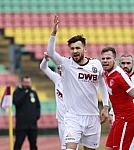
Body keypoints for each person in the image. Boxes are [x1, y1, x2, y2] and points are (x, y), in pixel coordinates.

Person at [47, 14, 109, 150]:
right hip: (73, 117)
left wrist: (105, 106)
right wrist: (54, 33)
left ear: (84, 49)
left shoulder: (96, 64)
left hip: (93, 117)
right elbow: (50, 53)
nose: (74, 51)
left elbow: (102, 84)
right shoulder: (66, 64)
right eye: (72, 48)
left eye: (77, 48)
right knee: (69, 148)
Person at [101, 47, 134, 150]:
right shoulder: (108, 73)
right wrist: (110, 111)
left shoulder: (123, 76)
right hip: (119, 117)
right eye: (103, 59)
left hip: (128, 118)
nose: (125, 65)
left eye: (108, 58)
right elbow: (118, 97)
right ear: (119, 63)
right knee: (109, 148)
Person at [40, 52, 67, 150]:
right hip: (61, 119)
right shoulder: (57, 79)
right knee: (63, 145)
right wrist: (46, 59)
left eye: (62, 68)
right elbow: (43, 67)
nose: (60, 70)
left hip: (72, 119)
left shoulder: (75, 81)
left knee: (68, 145)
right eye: (59, 68)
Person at [13, 76, 41, 150]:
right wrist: (25, 92)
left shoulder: (33, 93)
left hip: (32, 125)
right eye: (25, 82)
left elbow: (38, 105)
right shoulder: (17, 92)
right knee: (18, 144)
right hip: (21, 125)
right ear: (22, 83)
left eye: (28, 82)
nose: (27, 84)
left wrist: (36, 116)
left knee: (33, 144)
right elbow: (16, 102)